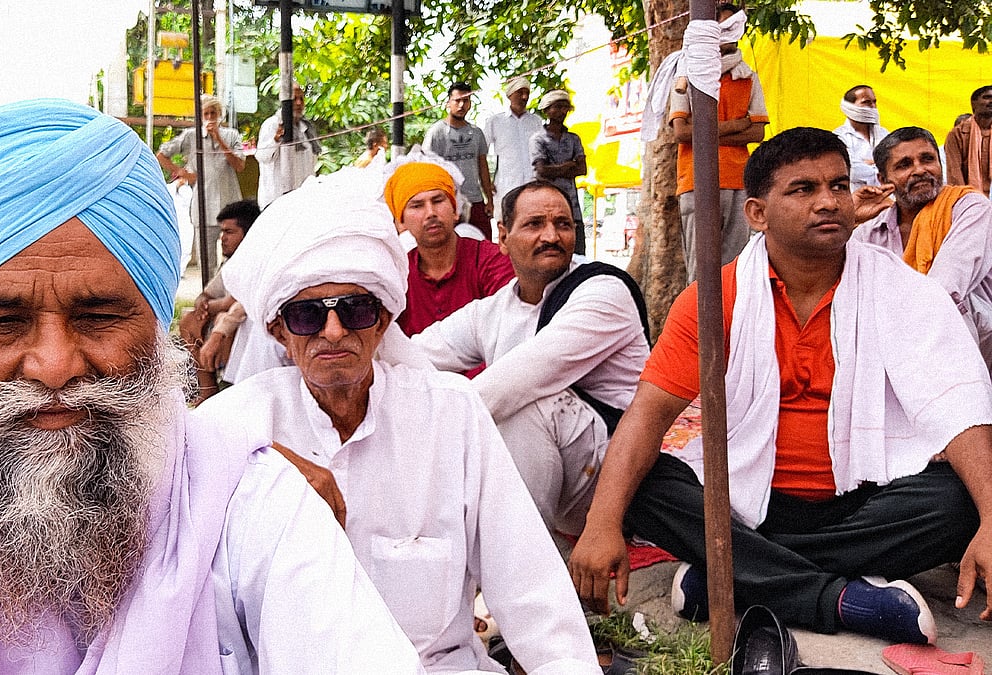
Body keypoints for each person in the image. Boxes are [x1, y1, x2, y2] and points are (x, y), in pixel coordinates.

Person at [0, 99, 424, 674]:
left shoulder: (257, 512)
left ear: (157, 326)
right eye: (4, 321)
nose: (53, 365)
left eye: (98, 316)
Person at [568, 127, 992, 646]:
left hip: (865, 499)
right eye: (803, 189)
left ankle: (732, 574)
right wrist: (601, 522)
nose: (829, 202)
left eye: (838, 186)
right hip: (748, 499)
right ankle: (842, 598)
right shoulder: (714, 298)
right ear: (756, 214)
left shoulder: (903, 290)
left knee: (959, 500)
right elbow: (648, 416)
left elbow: (958, 411)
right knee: (641, 485)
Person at [198, 172, 601, 673]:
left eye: (355, 309)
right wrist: (266, 467)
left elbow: (533, 592)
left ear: (385, 318)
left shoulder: (449, 413)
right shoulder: (237, 427)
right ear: (278, 331)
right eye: (306, 316)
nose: (333, 331)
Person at [413, 181, 650, 546]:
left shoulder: (604, 292)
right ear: (503, 237)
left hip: (622, 479)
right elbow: (415, 358)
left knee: (526, 406)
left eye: (563, 224)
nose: (551, 236)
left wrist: (425, 446)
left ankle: (529, 568)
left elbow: (515, 382)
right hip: (558, 475)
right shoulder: (492, 311)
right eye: (535, 224)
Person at [853, 126, 992, 373]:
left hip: (970, 351)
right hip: (897, 358)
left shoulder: (969, 207)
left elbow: (945, 287)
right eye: (904, 165)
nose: (919, 170)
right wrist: (849, 220)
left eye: (927, 159)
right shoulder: (870, 231)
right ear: (884, 180)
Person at [670, 4, 768, 282]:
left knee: (735, 268)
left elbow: (757, 133)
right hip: (696, 181)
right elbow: (681, 132)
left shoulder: (748, 77)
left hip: (738, 180)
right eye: (725, 27)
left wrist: (705, 131)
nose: (731, 34)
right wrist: (736, 125)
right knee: (701, 273)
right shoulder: (685, 74)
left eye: (735, 27)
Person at [383, 159, 514, 337]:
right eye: (417, 205)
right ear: (400, 222)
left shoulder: (491, 260)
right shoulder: (396, 276)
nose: (430, 213)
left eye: (437, 201)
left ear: (455, 210)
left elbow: (510, 329)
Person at [178, 199, 260, 397]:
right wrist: (203, 307)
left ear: (248, 234)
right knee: (189, 318)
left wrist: (208, 309)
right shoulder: (230, 263)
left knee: (221, 320)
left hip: (244, 324)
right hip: (224, 319)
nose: (222, 238)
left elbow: (232, 302)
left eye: (229, 232)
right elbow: (207, 294)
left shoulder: (254, 261)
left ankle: (226, 389)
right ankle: (207, 392)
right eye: (222, 231)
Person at [156, 94, 245, 272]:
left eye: (213, 113)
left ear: (219, 115)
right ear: (200, 116)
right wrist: (181, 172)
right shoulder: (191, 136)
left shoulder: (231, 135)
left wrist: (219, 138)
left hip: (230, 204)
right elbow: (161, 154)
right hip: (204, 206)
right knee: (207, 261)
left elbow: (240, 165)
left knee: (236, 258)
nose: (210, 118)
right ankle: (208, 294)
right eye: (206, 114)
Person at [424, 82, 496, 239]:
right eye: (457, 100)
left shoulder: (476, 133)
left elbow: (482, 167)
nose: (461, 105)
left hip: (475, 200)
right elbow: (428, 169)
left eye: (466, 100)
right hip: (449, 201)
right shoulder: (436, 133)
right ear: (448, 102)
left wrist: (489, 199)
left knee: (484, 243)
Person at [531, 90, 588, 255]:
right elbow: (541, 171)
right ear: (547, 110)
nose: (562, 111)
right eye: (557, 107)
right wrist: (568, 165)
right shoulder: (538, 139)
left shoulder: (573, 139)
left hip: (573, 208)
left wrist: (555, 169)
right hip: (546, 205)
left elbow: (582, 169)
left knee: (577, 254)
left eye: (565, 107)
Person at [484, 76, 543, 229]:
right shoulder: (495, 122)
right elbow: (481, 152)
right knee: (507, 225)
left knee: (532, 225)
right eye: (520, 92)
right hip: (505, 185)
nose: (524, 97)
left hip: (533, 184)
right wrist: (486, 182)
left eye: (527, 93)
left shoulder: (536, 121)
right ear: (510, 95)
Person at [256, 82, 320, 207]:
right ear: (284, 102)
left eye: (301, 98)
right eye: (294, 99)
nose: (299, 103)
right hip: (276, 198)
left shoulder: (306, 128)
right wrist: (276, 139)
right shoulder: (272, 124)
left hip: (302, 198)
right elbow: (262, 156)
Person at [832, 84, 889, 190]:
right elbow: (850, 170)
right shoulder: (839, 137)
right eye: (866, 102)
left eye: (874, 102)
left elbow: (895, 161)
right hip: (857, 199)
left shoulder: (884, 133)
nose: (873, 106)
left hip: (889, 197)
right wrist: (880, 166)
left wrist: (869, 164)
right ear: (849, 106)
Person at [944, 85, 992, 196]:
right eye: (987, 97)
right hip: (971, 198)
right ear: (974, 103)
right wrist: (966, 200)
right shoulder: (957, 135)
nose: (991, 101)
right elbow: (955, 175)